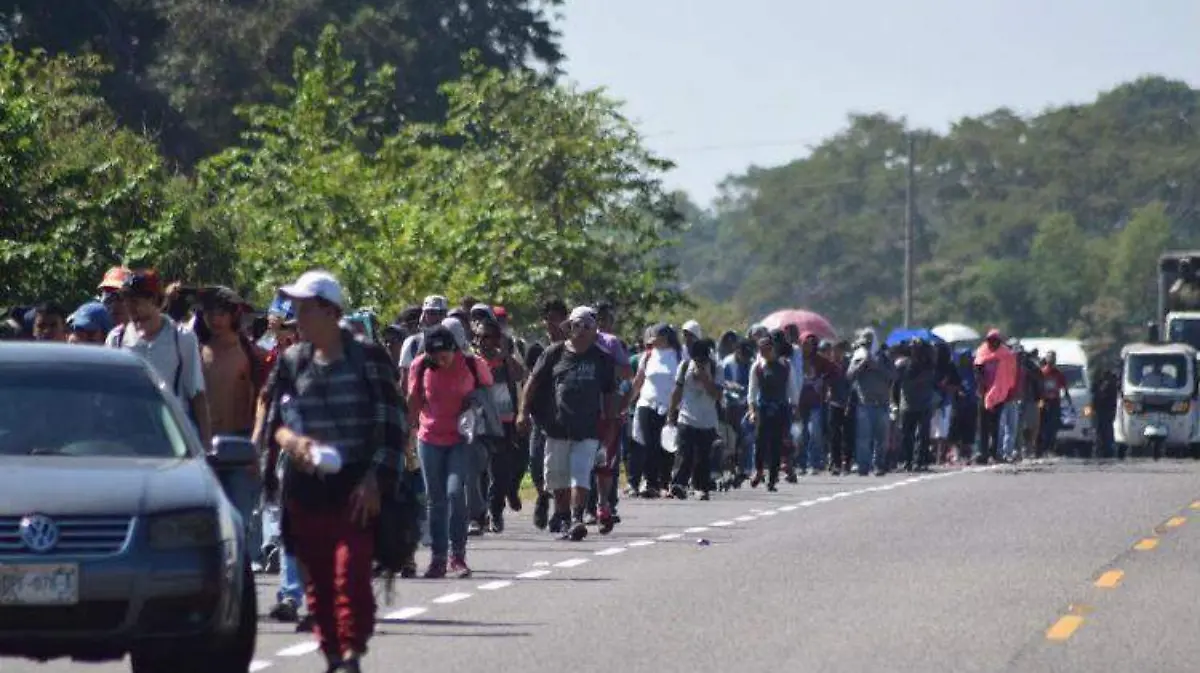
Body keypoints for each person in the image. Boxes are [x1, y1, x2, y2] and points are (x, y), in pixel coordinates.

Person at [263, 270, 404, 673]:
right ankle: (332, 654)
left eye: (306, 309)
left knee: (350, 574)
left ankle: (351, 652)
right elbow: (276, 423)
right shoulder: (292, 361)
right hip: (306, 490)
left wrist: (375, 480)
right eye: (295, 308)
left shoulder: (368, 358)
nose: (297, 317)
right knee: (318, 582)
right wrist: (293, 444)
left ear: (331, 312)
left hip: (356, 487)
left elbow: (392, 424)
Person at [518, 306, 617, 541]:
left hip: (587, 429)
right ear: (569, 327)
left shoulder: (602, 359)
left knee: (580, 474)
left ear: (594, 330)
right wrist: (522, 412)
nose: (581, 330)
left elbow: (609, 395)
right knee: (557, 477)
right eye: (576, 325)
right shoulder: (554, 353)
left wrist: (610, 426)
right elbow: (532, 383)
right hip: (556, 427)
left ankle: (576, 518)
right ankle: (563, 517)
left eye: (587, 326)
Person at [407, 323, 492, 576]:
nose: (440, 360)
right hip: (429, 437)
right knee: (436, 500)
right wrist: (407, 436)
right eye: (434, 356)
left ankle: (458, 556)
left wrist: (475, 408)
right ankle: (438, 558)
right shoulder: (420, 366)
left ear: (454, 348)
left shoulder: (472, 364)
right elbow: (413, 401)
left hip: (461, 438)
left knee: (455, 493)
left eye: (444, 355)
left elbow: (487, 392)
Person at [106, 268, 211, 447]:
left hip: (172, 439)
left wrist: (206, 445)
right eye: (126, 299)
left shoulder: (182, 338)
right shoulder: (116, 339)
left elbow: (197, 394)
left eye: (136, 300)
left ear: (155, 300)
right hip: (126, 438)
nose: (130, 307)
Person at [667, 338, 724, 500]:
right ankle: (679, 485)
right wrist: (671, 413)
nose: (699, 363)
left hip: (707, 420)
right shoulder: (685, 366)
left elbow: (718, 395)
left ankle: (700, 487)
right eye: (697, 360)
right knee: (685, 453)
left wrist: (705, 379)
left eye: (702, 360)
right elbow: (677, 391)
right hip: (686, 417)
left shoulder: (716, 368)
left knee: (703, 456)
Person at [748, 335, 796, 490]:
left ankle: (773, 479)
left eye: (767, 349)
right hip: (763, 408)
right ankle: (759, 471)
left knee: (777, 443)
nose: (764, 353)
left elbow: (792, 389)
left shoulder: (786, 365)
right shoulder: (757, 367)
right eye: (761, 350)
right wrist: (752, 411)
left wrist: (793, 408)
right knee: (760, 442)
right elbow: (752, 391)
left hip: (780, 408)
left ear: (773, 349)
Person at [974, 329, 1018, 465]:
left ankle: (995, 452)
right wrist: (983, 388)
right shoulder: (982, 352)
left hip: (999, 394)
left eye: (995, 341)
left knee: (996, 425)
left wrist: (1006, 390)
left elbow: (1010, 374)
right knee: (983, 425)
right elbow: (977, 370)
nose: (992, 343)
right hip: (984, 393)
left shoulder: (1006, 355)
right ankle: (982, 453)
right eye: (990, 340)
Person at [1037, 351, 1075, 458]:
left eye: (1053, 358)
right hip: (1044, 402)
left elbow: (1065, 388)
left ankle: (1050, 449)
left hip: (1055, 402)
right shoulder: (1042, 372)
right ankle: (1041, 449)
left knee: (1053, 427)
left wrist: (1069, 402)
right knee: (1042, 427)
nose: (1052, 360)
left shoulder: (1058, 373)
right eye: (1050, 358)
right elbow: (1038, 387)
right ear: (1046, 359)